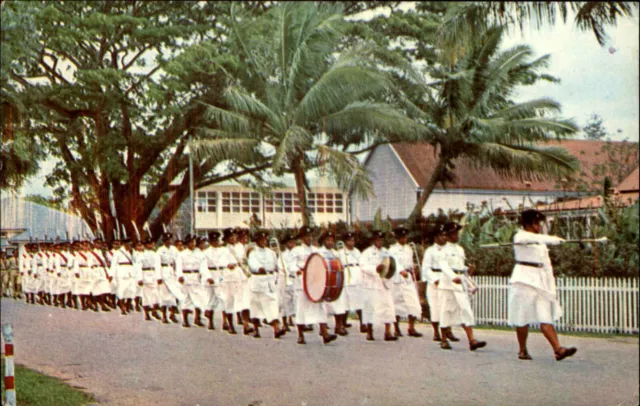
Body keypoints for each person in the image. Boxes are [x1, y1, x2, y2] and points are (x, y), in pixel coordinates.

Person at [509, 209, 577, 361]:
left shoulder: (540, 243)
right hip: (523, 279)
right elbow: (527, 239)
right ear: (528, 224)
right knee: (522, 317)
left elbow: (547, 266)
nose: (538, 226)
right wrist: (552, 239)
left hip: (540, 281)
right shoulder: (520, 236)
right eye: (535, 223)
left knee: (545, 316)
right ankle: (522, 350)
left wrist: (551, 288)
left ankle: (558, 349)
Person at [438, 221, 486, 351]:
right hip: (447, 285)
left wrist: (468, 270)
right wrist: (453, 277)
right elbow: (444, 266)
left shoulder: (460, 250)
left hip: (459, 284)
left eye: (456, 233)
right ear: (447, 236)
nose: (456, 236)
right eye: (453, 234)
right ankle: (443, 340)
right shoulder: (442, 251)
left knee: (465, 309)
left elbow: (461, 267)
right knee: (445, 311)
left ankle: (472, 340)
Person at [289, 226, 337, 345]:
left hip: (315, 282)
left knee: (320, 306)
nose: (309, 238)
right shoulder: (296, 250)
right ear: (301, 238)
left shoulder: (317, 250)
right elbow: (291, 266)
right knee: (301, 308)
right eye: (306, 236)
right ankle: (300, 335)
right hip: (302, 281)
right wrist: (298, 270)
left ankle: (324, 333)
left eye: (310, 236)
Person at [359, 230, 398, 342]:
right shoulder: (366, 253)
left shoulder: (387, 252)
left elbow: (393, 265)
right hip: (371, 283)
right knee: (370, 307)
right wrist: (375, 269)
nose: (379, 241)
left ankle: (388, 332)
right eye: (377, 239)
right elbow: (363, 266)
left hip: (384, 283)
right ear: (373, 240)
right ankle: (370, 332)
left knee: (387, 307)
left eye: (381, 239)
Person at [246, 230, 284, 339]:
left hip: (269, 282)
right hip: (257, 281)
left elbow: (277, 266)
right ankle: (256, 330)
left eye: (265, 239)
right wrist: (259, 268)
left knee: (272, 304)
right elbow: (252, 264)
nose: (264, 241)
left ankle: (276, 328)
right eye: (261, 239)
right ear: (257, 241)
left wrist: (277, 275)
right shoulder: (253, 253)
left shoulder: (271, 253)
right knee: (256, 306)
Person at [388, 226, 423, 338]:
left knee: (413, 302)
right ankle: (396, 328)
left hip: (408, 278)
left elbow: (410, 263)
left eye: (405, 237)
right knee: (396, 303)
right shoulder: (392, 249)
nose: (404, 239)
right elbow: (393, 262)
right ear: (397, 238)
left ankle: (411, 327)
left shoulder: (409, 249)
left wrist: (414, 270)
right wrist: (400, 270)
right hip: (397, 278)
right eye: (401, 237)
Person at [421, 224, 451, 342]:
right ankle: (436, 332)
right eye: (441, 235)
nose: (444, 237)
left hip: (447, 278)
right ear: (435, 238)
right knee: (435, 307)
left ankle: (448, 331)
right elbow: (426, 268)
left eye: (444, 235)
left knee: (447, 306)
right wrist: (434, 279)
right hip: (435, 279)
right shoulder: (430, 251)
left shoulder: (449, 249)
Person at [220, 228, 253, 335]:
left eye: (234, 236)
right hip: (229, 277)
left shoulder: (240, 247)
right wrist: (227, 264)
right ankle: (230, 325)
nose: (233, 238)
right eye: (231, 237)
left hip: (240, 276)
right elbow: (221, 262)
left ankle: (246, 325)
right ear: (226, 239)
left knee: (244, 301)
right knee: (229, 301)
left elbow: (244, 260)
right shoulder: (224, 249)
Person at [318, 231, 349, 336]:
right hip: (323, 281)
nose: (330, 242)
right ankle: (323, 328)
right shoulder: (319, 253)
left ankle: (338, 326)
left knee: (339, 302)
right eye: (328, 240)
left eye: (332, 240)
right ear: (323, 241)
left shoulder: (335, 253)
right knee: (322, 306)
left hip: (335, 281)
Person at [156, 233, 181, 323]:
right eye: (166, 240)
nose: (168, 241)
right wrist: (158, 276)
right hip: (163, 271)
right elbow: (157, 264)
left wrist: (179, 274)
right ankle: (164, 316)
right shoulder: (160, 250)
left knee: (174, 294)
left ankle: (172, 314)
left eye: (170, 240)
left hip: (171, 271)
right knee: (164, 295)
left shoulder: (174, 250)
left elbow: (178, 262)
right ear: (163, 241)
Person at [276, 233, 297, 333]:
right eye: (290, 242)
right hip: (284, 278)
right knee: (284, 300)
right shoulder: (282, 255)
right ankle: (284, 323)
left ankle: (291, 318)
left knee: (294, 299)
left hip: (294, 279)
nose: (292, 244)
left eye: (293, 242)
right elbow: (282, 267)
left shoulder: (296, 254)